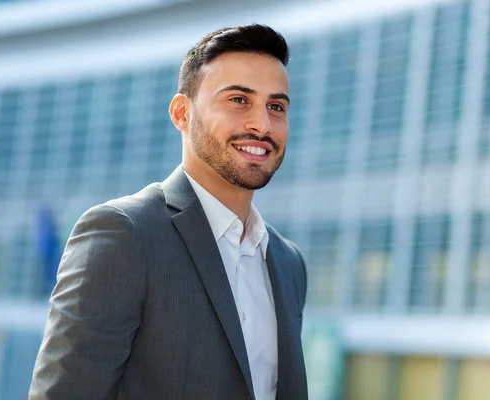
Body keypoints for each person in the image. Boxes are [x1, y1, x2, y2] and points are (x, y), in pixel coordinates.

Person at [29, 23, 308, 400]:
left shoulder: (289, 263)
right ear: (182, 114)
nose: (262, 124)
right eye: (239, 100)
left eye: (276, 106)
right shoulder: (123, 233)